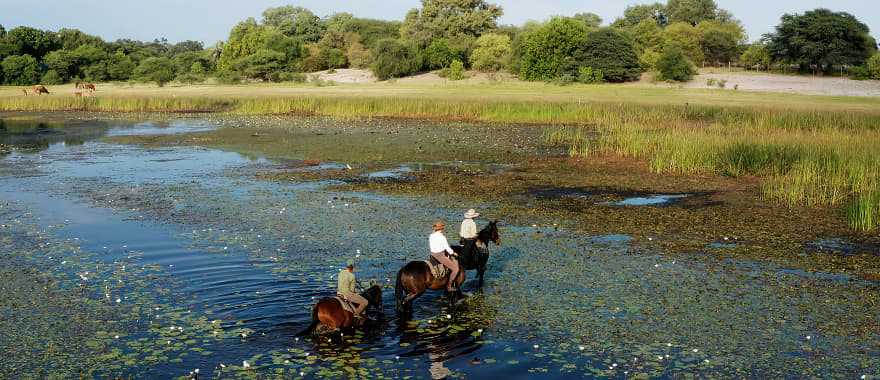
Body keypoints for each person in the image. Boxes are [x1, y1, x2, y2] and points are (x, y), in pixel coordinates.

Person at [429, 220, 460, 293]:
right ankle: (449, 286)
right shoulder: (442, 237)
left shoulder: (431, 235)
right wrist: (454, 253)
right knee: (455, 269)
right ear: (441, 229)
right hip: (440, 255)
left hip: (432, 254)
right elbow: (447, 248)